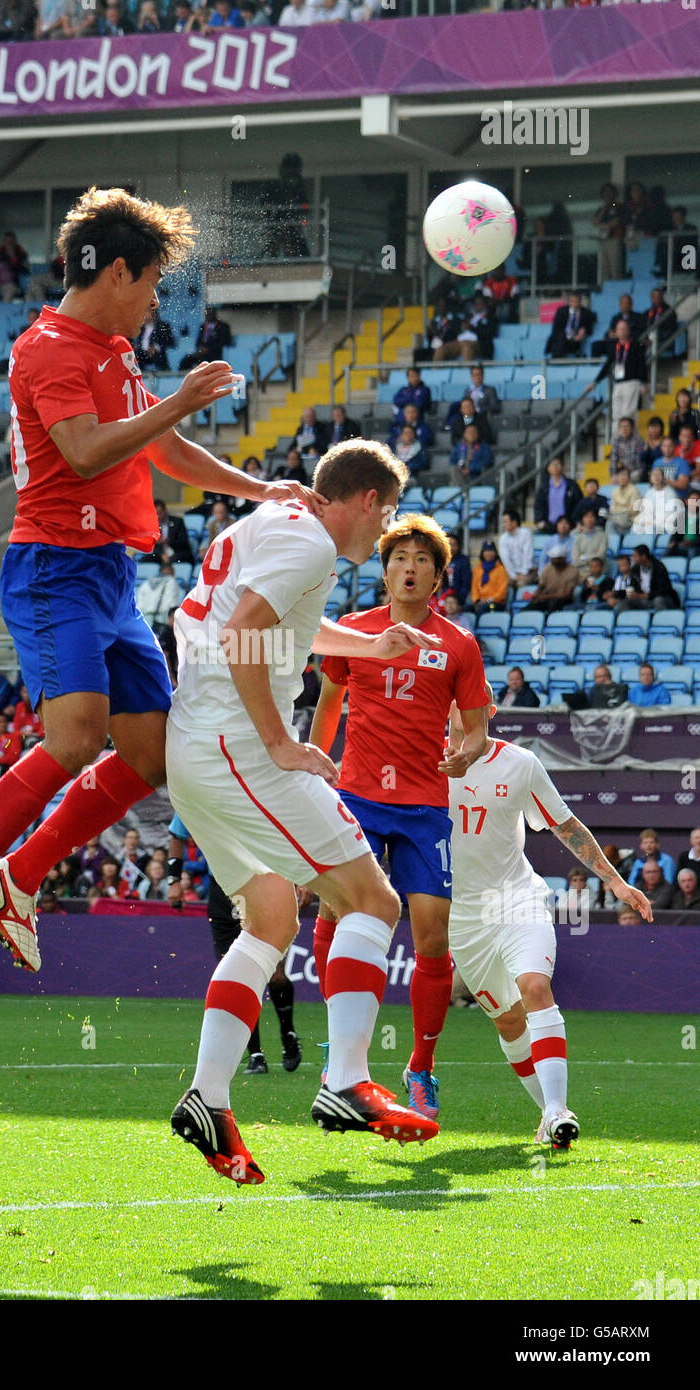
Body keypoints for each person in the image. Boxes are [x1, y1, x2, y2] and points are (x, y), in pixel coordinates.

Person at [0, 186, 319, 978]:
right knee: (72, 739)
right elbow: (87, 453)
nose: (157, 302)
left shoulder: (113, 351)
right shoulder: (47, 351)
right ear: (120, 274)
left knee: (149, 753)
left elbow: (160, 454)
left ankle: (18, 879)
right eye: (155, 285)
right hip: (52, 569)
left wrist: (260, 490)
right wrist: (177, 402)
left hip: (108, 574)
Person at [167, 443, 442, 1184]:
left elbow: (278, 625)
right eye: (384, 511)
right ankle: (346, 1082)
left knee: (269, 921)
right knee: (371, 898)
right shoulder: (310, 540)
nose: (384, 529)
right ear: (362, 500)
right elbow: (246, 630)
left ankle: (208, 1099)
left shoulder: (280, 522)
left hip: (195, 745)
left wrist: (370, 643)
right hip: (236, 744)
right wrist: (279, 741)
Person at [307, 510, 489, 1124]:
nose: (409, 569)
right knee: (337, 911)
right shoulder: (352, 633)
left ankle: (421, 1066)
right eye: (399, 560)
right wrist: (315, 764)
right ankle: (342, 1059)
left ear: (438, 577)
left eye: (422, 562)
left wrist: (466, 753)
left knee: (432, 936)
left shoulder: (459, 645)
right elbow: (329, 705)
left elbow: (477, 731)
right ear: (384, 572)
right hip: (356, 795)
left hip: (425, 807)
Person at [446, 691, 651, 1150]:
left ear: (490, 712)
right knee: (506, 1021)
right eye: (455, 699)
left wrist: (616, 883)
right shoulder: (423, 764)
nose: (462, 708)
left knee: (535, 987)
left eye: (474, 701)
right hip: (464, 915)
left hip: (518, 899)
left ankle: (559, 1110)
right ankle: (546, 1113)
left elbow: (566, 825)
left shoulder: (520, 763)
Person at [170, 809, 301, 1074]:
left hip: (265, 882)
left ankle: (288, 1033)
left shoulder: (253, 784)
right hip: (222, 891)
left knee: (276, 975)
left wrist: (299, 879)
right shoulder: (196, 786)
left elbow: (287, 832)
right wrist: (174, 880)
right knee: (236, 974)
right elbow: (177, 833)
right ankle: (255, 1054)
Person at [590, 320, 647, 434]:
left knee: (628, 413)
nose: (622, 331)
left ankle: (630, 440)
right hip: (618, 384)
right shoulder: (614, 347)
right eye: (619, 329)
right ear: (615, 332)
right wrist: (595, 382)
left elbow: (642, 365)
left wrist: (643, 383)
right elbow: (607, 365)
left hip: (632, 382)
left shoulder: (635, 345)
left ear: (628, 331)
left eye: (624, 329)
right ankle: (616, 439)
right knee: (616, 414)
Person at [618, 545, 679, 612]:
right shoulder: (635, 569)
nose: (633, 558)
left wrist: (646, 595)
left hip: (658, 597)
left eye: (635, 556)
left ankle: (662, 620)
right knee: (623, 603)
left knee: (658, 600)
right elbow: (632, 586)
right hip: (643, 599)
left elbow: (665, 590)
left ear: (643, 556)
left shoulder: (659, 567)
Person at [534, 457, 583, 533]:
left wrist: (578, 521)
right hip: (548, 526)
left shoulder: (572, 485)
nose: (555, 466)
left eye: (558, 464)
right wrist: (539, 520)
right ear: (548, 469)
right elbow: (538, 506)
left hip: (569, 525)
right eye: (552, 465)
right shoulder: (543, 487)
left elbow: (579, 504)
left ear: (562, 467)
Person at [178, 304, 232, 369]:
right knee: (186, 360)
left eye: (210, 313)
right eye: (207, 314)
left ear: (214, 314)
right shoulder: (203, 326)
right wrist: (200, 348)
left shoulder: (222, 326)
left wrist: (209, 349)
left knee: (204, 361)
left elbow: (225, 341)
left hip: (214, 353)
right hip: (202, 352)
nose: (208, 315)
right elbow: (198, 341)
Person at [545, 291, 595, 358]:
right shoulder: (561, 311)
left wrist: (583, 330)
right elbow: (556, 328)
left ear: (580, 302)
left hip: (576, 340)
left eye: (576, 301)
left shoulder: (586, 313)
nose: (574, 304)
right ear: (569, 302)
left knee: (562, 342)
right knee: (560, 339)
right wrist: (568, 335)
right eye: (572, 301)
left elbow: (590, 326)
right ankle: (558, 359)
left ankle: (559, 358)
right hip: (562, 338)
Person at [136, 561, 182, 632]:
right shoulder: (172, 582)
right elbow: (172, 603)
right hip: (162, 622)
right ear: (172, 572)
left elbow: (139, 603)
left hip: (145, 621)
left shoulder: (146, 583)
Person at [470, 539, 508, 615]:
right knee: (467, 609)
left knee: (483, 608)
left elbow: (502, 592)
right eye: (486, 551)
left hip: (496, 602)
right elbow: (474, 588)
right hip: (480, 601)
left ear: (495, 553)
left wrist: (488, 600)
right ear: (482, 553)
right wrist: (477, 600)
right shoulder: (477, 569)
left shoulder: (501, 569)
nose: (488, 553)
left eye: (491, 551)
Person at [498, 509, 535, 587]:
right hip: (513, 573)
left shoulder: (526, 533)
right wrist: (513, 576)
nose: (503, 525)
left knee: (521, 583)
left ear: (514, 522)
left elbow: (528, 556)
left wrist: (523, 574)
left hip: (529, 571)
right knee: (500, 584)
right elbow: (505, 559)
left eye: (505, 522)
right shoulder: (503, 538)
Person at [150, 498, 192, 564]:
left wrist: (169, 541)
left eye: (159, 513)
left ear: (165, 510)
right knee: (144, 559)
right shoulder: (154, 526)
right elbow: (155, 546)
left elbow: (184, 541)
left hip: (177, 552)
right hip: (162, 554)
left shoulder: (178, 522)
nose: (158, 517)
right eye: (155, 514)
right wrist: (161, 555)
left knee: (178, 558)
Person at [571, 510, 607, 578]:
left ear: (595, 519)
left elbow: (601, 556)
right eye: (586, 516)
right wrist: (594, 557)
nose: (589, 519)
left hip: (598, 573)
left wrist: (584, 558)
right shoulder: (578, 538)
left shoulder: (603, 536)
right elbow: (575, 560)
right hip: (581, 573)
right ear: (582, 519)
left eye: (592, 516)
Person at [608, 466, 642, 535]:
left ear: (629, 478)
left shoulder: (634, 490)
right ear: (617, 478)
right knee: (609, 523)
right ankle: (613, 545)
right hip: (617, 517)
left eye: (624, 475)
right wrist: (625, 507)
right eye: (620, 475)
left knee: (615, 520)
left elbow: (634, 509)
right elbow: (612, 509)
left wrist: (619, 507)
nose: (622, 477)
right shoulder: (614, 491)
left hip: (630, 519)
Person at [444, 531, 472, 606]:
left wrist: (459, 599)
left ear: (458, 546)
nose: (451, 548)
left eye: (454, 545)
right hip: (442, 598)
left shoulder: (464, 561)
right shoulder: (440, 559)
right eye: (449, 544)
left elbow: (466, 584)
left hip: (458, 599)